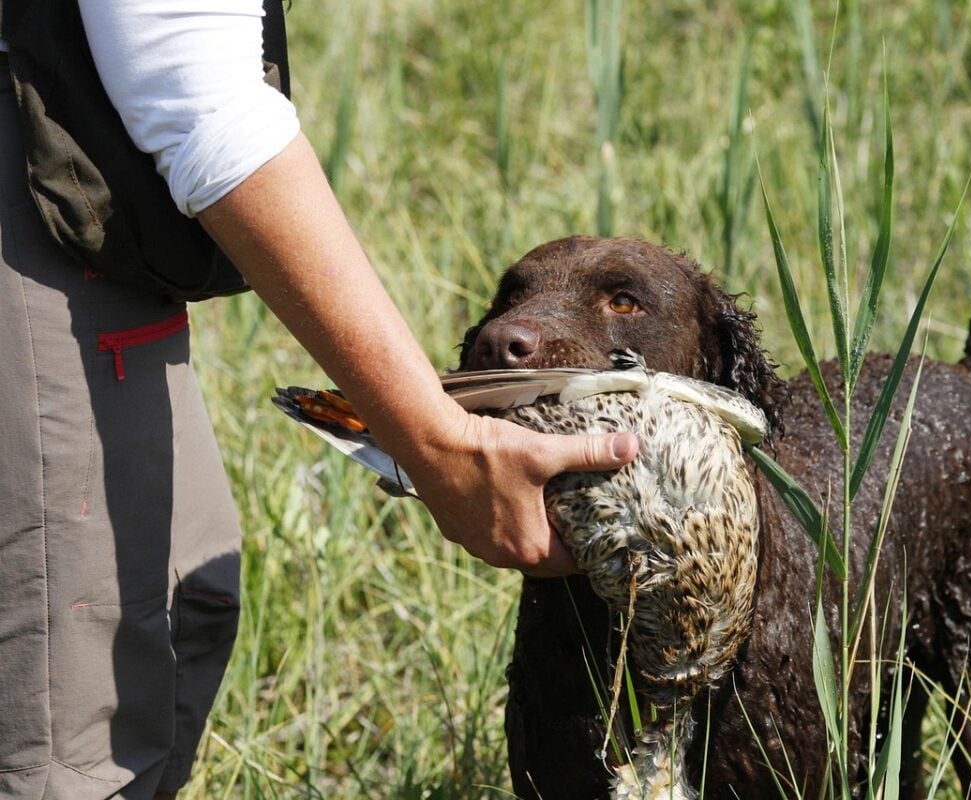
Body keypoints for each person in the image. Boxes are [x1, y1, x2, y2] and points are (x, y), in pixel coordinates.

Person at [0, 2, 638, 798]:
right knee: (75, 714)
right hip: (32, 153)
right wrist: (441, 444)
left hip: (87, 168)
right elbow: (198, 95)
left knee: (182, 606)